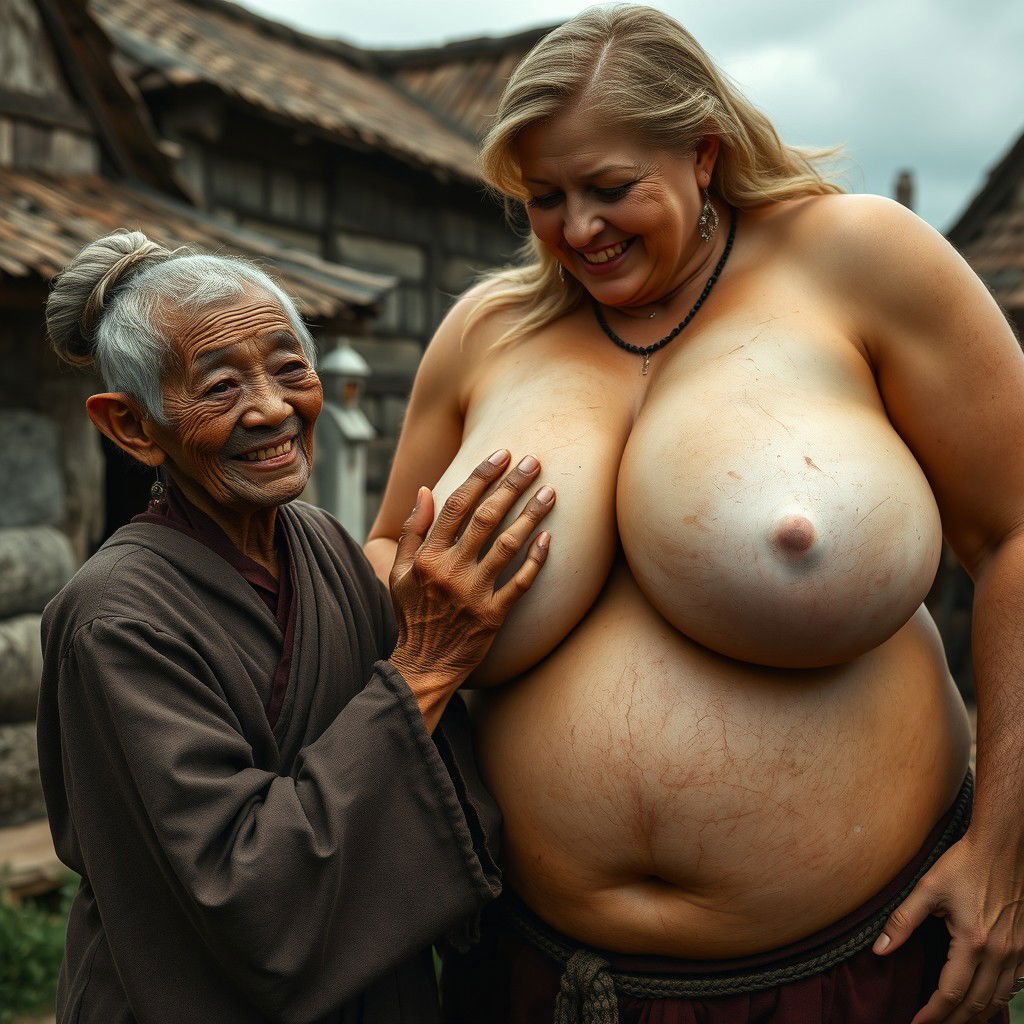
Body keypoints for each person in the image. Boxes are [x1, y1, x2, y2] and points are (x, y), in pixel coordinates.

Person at [363, 7, 1024, 1023]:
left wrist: (1005, 849)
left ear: (702, 152)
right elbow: (377, 568)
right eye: (544, 198)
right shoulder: (484, 333)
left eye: (611, 188)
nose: (578, 228)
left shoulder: (856, 260)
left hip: (849, 971)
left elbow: (1015, 535)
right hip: (527, 975)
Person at [36, 229, 556, 1024]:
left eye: (289, 367)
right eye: (218, 387)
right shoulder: (114, 619)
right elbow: (241, 894)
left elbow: (441, 779)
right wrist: (424, 666)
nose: (274, 408)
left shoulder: (319, 544)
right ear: (133, 427)